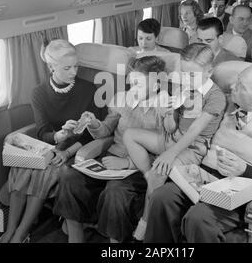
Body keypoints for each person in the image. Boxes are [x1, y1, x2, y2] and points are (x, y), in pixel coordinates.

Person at [145, 60, 252, 243]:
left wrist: (245, 170)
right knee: (161, 197)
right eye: (237, 80)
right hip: (201, 178)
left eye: (241, 86)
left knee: (199, 217)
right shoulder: (224, 104)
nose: (233, 86)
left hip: (236, 192)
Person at [53, 55, 169, 243]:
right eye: (132, 83)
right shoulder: (123, 99)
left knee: (115, 192)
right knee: (69, 176)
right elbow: (105, 130)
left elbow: (166, 152)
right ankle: (76, 238)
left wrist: (127, 163)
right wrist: (93, 123)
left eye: (139, 84)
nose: (133, 89)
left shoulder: (165, 108)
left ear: (156, 84)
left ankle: (115, 243)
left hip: (139, 169)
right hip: (109, 158)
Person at [0, 39, 101, 243]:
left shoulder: (90, 90)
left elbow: (94, 134)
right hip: (50, 144)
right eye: (67, 68)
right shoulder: (39, 92)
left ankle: (20, 234)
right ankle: (10, 231)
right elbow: (43, 131)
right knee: (20, 168)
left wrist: (66, 151)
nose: (73, 72)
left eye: (76, 66)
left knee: (43, 173)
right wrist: (59, 135)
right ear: (51, 66)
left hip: (76, 149)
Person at [123, 43, 227, 241]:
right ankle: (147, 175)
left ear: (209, 71)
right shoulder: (183, 88)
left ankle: (144, 225)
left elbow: (195, 131)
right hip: (172, 137)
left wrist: (169, 154)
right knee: (130, 135)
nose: (186, 79)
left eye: (192, 75)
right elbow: (172, 128)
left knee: (158, 172)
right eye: (184, 73)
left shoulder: (216, 97)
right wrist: (168, 114)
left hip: (193, 148)